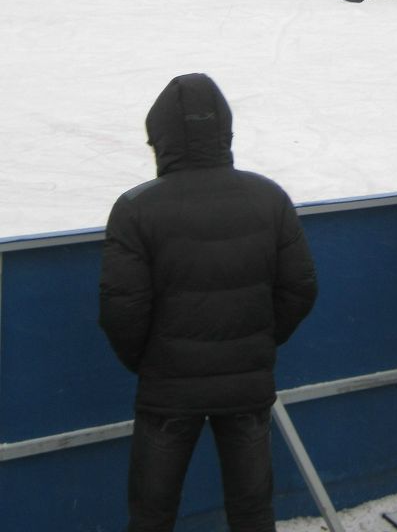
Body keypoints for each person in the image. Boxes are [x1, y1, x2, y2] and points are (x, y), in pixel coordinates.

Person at [98, 73, 318, 532]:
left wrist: (153, 361)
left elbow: (122, 309)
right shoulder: (269, 197)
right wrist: (253, 343)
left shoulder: (135, 208)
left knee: (151, 516)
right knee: (253, 512)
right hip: (246, 385)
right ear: (224, 131)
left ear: (161, 138)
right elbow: (299, 288)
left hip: (167, 391)